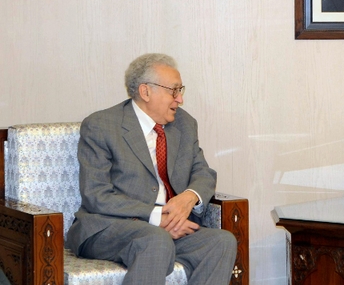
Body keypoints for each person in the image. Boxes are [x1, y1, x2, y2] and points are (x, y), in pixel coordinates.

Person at [65, 53, 237, 284]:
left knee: (222, 242)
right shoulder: (102, 126)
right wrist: (158, 217)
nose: (180, 99)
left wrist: (189, 197)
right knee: (155, 239)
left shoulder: (184, 124)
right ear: (146, 92)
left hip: (166, 230)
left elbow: (203, 173)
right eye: (173, 91)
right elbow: (96, 195)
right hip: (108, 228)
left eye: (180, 90)